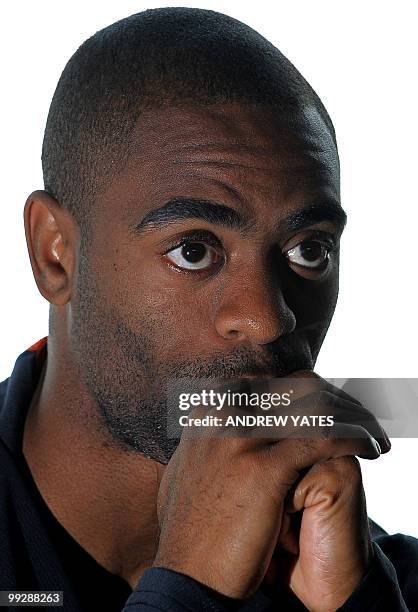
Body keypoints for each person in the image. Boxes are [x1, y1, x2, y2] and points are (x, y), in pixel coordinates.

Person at [0, 7, 417, 611]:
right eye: (194, 250)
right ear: (55, 255)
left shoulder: (373, 586)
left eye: (309, 249)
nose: (269, 320)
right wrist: (191, 590)